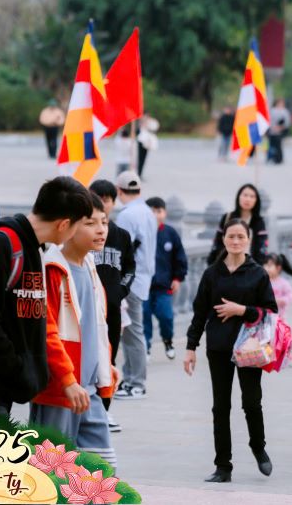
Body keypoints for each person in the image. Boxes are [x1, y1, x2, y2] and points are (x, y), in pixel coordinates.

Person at [0, 176, 93, 419]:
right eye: (78, 226)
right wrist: (17, 369)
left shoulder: (34, 248)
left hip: (1, 381)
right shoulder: (0, 246)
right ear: (64, 224)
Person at [184, 218, 279, 483]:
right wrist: (191, 347)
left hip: (250, 349)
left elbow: (271, 312)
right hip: (218, 348)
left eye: (240, 237)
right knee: (220, 407)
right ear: (224, 239)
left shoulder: (257, 273)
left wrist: (242, 311)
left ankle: (258, 447)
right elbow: (199, 313)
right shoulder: (211, 274)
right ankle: (223, 466)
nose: (235, 241)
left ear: (248, 239)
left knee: (251, 402)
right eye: (231, 237)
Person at [32, 191, 117, 469]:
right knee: (52, 474)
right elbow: (46, 332)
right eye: (91, 223)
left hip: (88, 389)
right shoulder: (51, 268)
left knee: (101, 473)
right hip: (60, 389)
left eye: (104, 222)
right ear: (67, 226)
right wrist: (68, 380)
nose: (101, 230)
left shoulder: (90, 266)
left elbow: (98, 327)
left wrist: (107, 366)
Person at [88, 179, 135, 430]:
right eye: (98, 198)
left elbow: (130, 268)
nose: (103, 204)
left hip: (112, 310)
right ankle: (88, 410)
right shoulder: (79, 232)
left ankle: (105, 411)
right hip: (85, 310)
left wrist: (120, 291)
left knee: (109, 360)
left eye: (107, 199)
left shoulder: (121, 236)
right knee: (86, 360)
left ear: (113, 202)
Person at [113, 171, 157, 401]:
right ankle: (130, 380)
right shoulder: (148, 212)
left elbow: (123, 250)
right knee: (131, 331)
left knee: (132, 331)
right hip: (144, 276)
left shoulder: (127, 215)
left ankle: (136, 383)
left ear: (119, 191)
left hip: (131, 278)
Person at [144, 196, 187, 360]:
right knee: (144, 316)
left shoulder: (170, 233)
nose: (155, 214)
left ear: (165, 213)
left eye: (159, 211)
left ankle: (168, 340)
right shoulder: (140, 233)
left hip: (164, 286)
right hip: (144, 286)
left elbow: (180, 258)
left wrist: (177, 278)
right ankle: (146, 347)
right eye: (152, 211)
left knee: (166, 316)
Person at [208, 184, 269, 265]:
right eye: (245, 195)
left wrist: (257, 269)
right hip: (226, 267)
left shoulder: (258, 222)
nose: (248, 199)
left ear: (256, 200)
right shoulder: (227, 217)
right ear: (238, 197)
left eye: (252, 196)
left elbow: (261, 248)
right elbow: (217, 242)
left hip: (249, 268)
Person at [263, 253, 292, 318]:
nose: (266, 268)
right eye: (265, 265)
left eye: (269, 266)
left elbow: (290, 295)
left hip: (280, 317)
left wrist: (281, 300)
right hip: (265, 318)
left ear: (278, 268)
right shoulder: (263, 282)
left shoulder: (283, 283)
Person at [267, 98, 291, 164]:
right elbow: (269, 120)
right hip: (272, 130)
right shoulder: (272, 111)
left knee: (279, 145)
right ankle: (271, 157)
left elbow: (287, 122)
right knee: (272, 145)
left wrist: (280, 127)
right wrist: (273, 127)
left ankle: (279, 159)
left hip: (281, 131)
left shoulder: (285, 111)